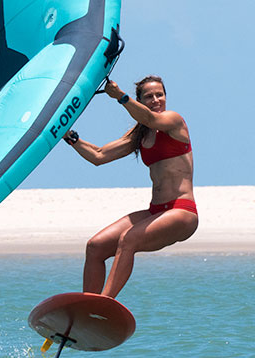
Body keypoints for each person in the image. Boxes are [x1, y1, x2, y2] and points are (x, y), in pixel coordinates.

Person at [62, 75, 197, 299]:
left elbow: (152, 120)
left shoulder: (174, 121)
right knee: (95, 246)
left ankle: (104, 304)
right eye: (149, 96)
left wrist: (121, 98)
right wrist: (69, 136)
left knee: (128, 239)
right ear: (141, 100)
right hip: (156, 212)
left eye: (159, 95)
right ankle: (86, 309)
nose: (155, 100)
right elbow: (99, 155)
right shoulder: (140, 134)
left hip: (181, 212)